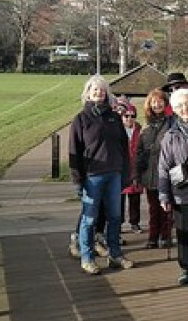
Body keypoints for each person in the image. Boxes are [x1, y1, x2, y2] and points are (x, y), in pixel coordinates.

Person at [68, 75, 134, 275]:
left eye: (102, 90)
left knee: (114, 217)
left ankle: (115, 254)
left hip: (114, 174)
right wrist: (78, 180)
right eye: (95, 90)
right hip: (92, 177)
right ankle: (87, 258)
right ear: (88, 93)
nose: (99, 93)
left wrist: (125, 174)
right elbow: (74, 151)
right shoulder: (80, 119)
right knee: (89, 219)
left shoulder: (114, 118)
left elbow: (124, 146)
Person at [158, 88, 188, 285]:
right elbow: (164, 166)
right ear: (174, 109)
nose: (185, 108)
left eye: (187, 103)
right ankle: (187, 269)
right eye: (179, 106)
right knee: (184, 233)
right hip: (181, 189)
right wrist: (164, 195)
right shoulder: (170, 135)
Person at [136, 89, 174, 249]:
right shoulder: (146, 125)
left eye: (160, 101)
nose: (157, 104)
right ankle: (153, 236)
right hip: (149, 172)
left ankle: (165, 236)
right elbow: (139, 150)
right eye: (154, 102)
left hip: (166, 171)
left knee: (166, 207)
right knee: (153, 209)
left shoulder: (171, 122)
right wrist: (137, 174)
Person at [119, 99, 144, 233]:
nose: (129, 119)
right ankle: (119, 224)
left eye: (132, 116)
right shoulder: (118, 130)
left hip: (136, 169)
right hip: (122, 170)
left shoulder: (140, 130)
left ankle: (135, 223)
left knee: (135, 199)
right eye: (126, 116)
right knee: (119, 201)